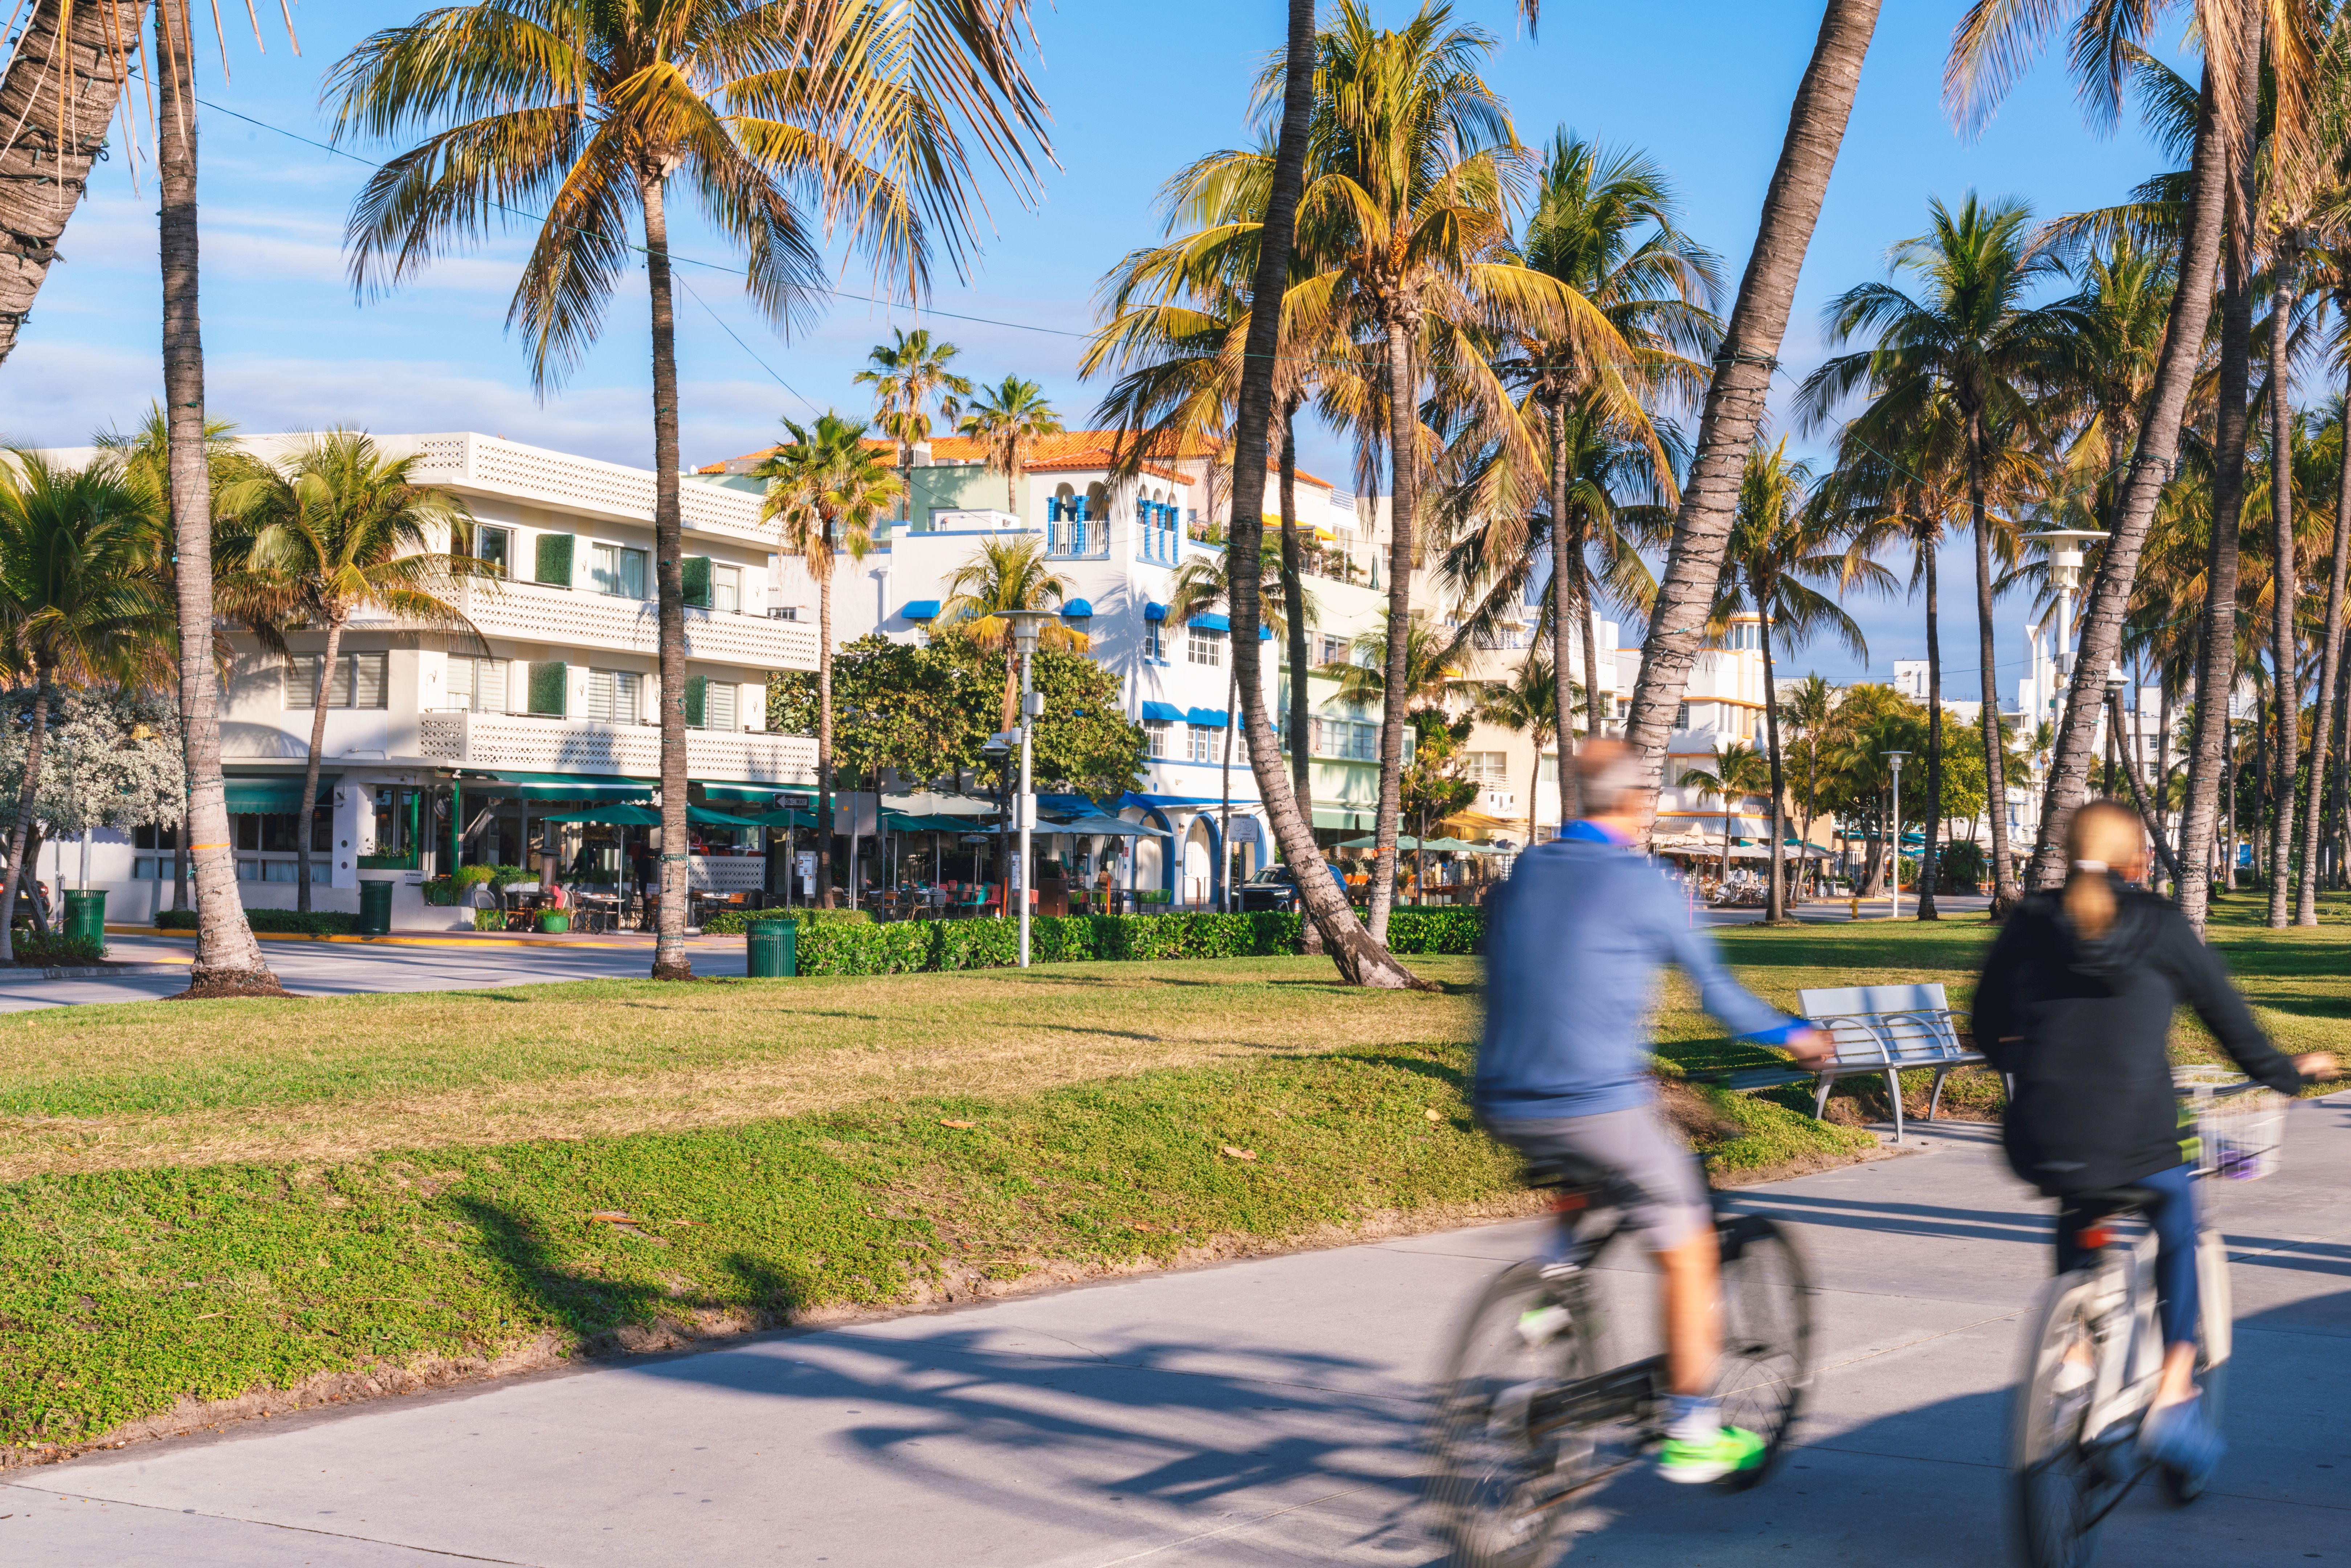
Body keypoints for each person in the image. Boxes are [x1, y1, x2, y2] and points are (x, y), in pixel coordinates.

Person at [1476, 739, 1831, 1485]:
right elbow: (1718, 998)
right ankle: (1692, 1431)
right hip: (1592, 1101)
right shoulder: (1647, 884)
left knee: (1583, 1175)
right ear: (1636, 803)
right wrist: (1796, 1037)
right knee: (1688, 1248)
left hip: (1504, 1094)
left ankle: (1547, 1296)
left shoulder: (1526, 870)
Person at [1973, 799, 2333, 1490]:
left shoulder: (2029, 921)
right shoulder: (2161, 925)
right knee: (2176, 1227)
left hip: (2039, 1133)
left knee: (2079, 1198)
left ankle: (2075, 1355)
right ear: (2135, 858)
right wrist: (2289, 1073)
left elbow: (1987, 1025)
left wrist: (2032, 1059)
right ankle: (2173, 1393)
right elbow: (2230, 1025)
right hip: (2135, 1135)